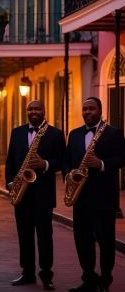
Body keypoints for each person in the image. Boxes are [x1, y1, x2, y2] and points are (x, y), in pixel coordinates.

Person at [64, 97, 125, 292]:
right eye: (85, 109)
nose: (87, 112)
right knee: (82, 241)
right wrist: (68, 174)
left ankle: (105, 281)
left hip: (104, 199)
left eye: (91, 109)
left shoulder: (113, 133)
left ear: (100, 110)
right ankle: (88, 279)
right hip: (80, 198)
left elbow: (122, 158)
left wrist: (101, 164)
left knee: (106, 242)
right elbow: (67, 161)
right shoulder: (74, 135)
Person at [5, 100, 65, 291]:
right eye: (30, 109)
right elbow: (10, 161)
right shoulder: (17, 132)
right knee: (24, 235)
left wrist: (45, 164)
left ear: (44, 111)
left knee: (45, 235)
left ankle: (46, 275)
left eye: (37, 108)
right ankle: (27, 272)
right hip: (22, 193)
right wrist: (10, 183)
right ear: (26, 112)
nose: (33, 111)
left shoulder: (55, 134)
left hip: (43, 194)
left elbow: (62, 161)